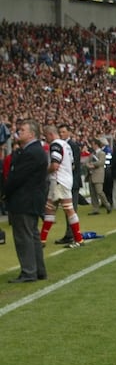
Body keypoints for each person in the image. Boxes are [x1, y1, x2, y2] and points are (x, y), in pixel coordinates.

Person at [4, 119, 48, 283]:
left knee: (24, 237)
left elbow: (17, 178)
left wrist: (4, 193)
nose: (18, 132)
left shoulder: (31, 152)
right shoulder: (34, 151)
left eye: (22, 130)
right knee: (32, 235)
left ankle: (29, 271)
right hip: (31, 199)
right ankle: (38, 270)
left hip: (24, 199)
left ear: (32, 133)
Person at [40, 125, 84, 249]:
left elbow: (54, 165)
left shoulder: (55, 145)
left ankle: (78, 239)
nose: (45, 138)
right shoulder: (67, 145)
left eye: (45, 135)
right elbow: (72, 164)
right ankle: (42, 239)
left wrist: (44, 172)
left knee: (68, 209)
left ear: (50, 134)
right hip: (65, 179)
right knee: (50, 208)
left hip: (59, 180)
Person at [54, 123, 82, 245]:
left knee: (71, 209)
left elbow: (74, 165)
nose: (61, 134)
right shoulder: (64, 145)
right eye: (60, 132)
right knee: (67, 209)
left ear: (69, 132)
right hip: (67, 181)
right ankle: (70, 234)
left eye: (64, 132)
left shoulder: (72, 146)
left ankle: (72, 235)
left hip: (71, 182)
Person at [86, 137, 112, 215]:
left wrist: (92, 165)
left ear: (96, 145)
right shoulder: (92, 154)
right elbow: (87, 162)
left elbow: (101, 162)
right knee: (93, 193)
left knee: (99, 191)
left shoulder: (102, 153)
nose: (92, 146)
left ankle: (107, 204)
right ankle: (95, 209)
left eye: (93, 144)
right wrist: (88, 165)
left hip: (98, 175)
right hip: (91, 174)